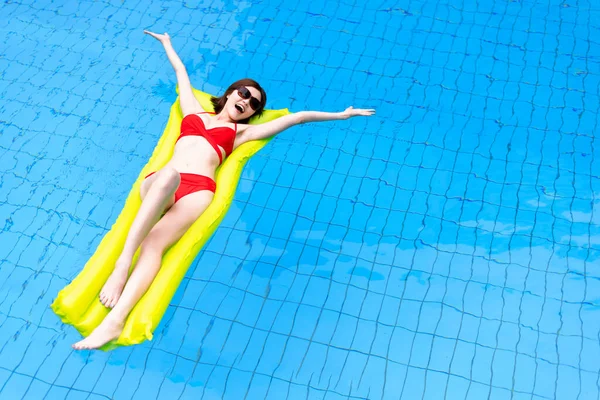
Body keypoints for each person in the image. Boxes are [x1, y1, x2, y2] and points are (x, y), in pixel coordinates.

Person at [72, 30, 375, 349]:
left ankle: (115, 323)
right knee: (167, 176)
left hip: (198, 190)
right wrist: (167, 44)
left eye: (253, 103)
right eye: (243, 93)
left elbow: (297, 118)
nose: (245, 101)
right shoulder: (193, 111)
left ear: (254, 113)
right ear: (230, 93)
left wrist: (342, 115)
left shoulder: (242, 133)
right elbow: (181, 73)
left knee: (154, 245)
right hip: (166, 180)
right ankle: (122, 265)